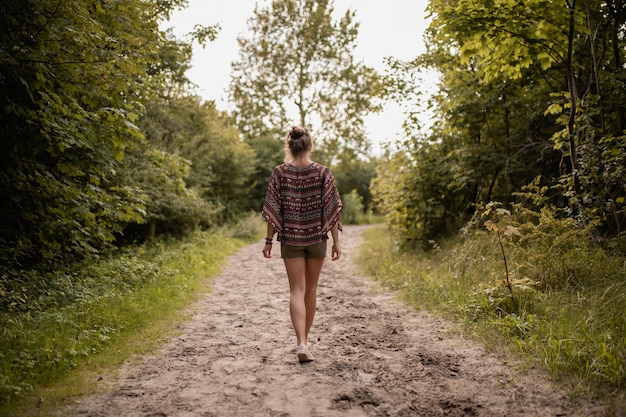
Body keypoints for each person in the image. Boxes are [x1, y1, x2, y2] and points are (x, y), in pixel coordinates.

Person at [262, 126, 343, 363]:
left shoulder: (279, 173)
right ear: (310, 145)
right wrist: (337, 242)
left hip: (291, 240)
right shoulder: (322, 173)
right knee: (310, 290)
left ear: (289, 146)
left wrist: (269, 241)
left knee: (296, 290)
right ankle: (304, 343)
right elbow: (333, 209)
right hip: (317, 239)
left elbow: (272, 210)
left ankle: (301, 343)